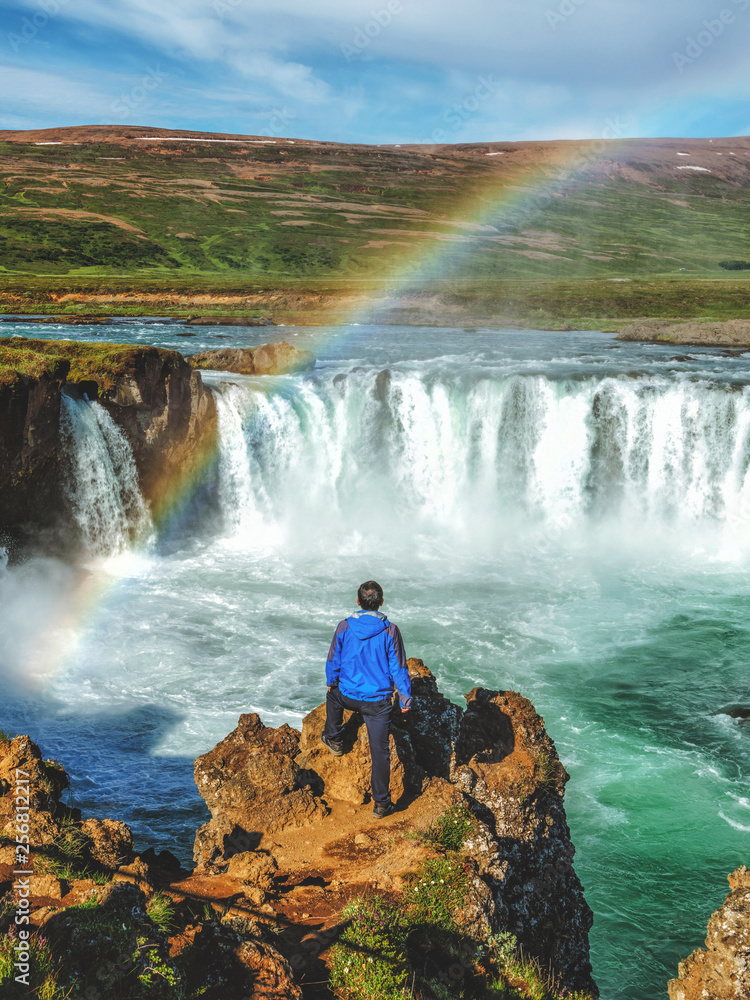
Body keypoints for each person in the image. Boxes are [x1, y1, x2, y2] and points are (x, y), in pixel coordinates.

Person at [322, 580, 412, 818]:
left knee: (332, 696)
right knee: (380, 752)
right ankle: (381, 804)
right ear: (381, 602)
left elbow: (333, 661)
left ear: (358, 601)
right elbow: (399, 668)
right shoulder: (390, 630)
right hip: (378, 704)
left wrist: (332, 682)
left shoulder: (344, 626)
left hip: (348, 697)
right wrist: (405, 700)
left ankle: (334, 739)